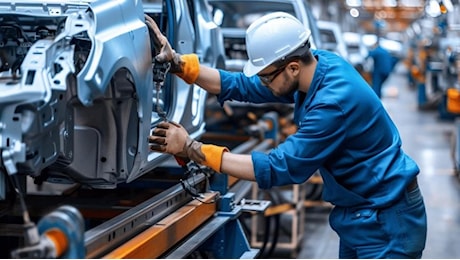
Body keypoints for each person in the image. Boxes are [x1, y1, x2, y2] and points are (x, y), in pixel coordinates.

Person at [145, 13, 427, 258]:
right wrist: (180, 64)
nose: (264, 82)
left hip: (386, 219)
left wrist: (193, 149)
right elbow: (243, 85)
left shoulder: (332, 103)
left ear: (292, 67)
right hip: (362, 211)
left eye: (267, 76)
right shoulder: (318, 65)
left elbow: (281, 166)